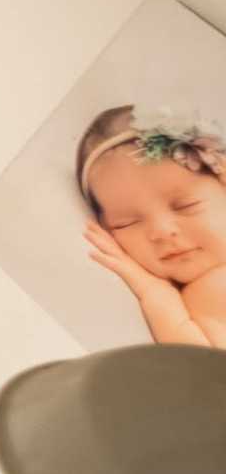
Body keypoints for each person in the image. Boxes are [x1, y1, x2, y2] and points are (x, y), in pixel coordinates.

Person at [76, 105, 226, 348]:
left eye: (185, 205)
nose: (162, 231)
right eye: (127, 223)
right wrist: (156, 294)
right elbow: (200, 362)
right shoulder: (200, 296)